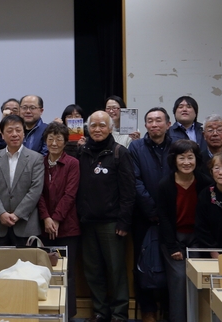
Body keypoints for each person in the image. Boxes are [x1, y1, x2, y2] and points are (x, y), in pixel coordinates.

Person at [77, 111, 136, 322]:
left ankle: (119, 314)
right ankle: (100, 311)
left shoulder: (120, 152)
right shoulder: (82, 152)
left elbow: (129, 191)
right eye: (93, 126)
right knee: (93, 272)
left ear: (110, 128)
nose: (98, 129)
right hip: (87, 222)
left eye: (102, 125)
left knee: (116, 271)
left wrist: (124, 221)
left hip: (112, 223)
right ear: (88, 128)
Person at [156, 140, 212, 322]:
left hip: (198, 238)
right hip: (174, 238)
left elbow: (209, 218)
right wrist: (172, 246)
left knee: (198, 280)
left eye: (191, 157)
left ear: (197, 159)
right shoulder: (165, 185)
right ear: (174, 160)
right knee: (179, 279)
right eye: (182, 158)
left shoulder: (205, 182)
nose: (186, 162)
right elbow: (163, 218)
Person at [128, 107, 173, 322]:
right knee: (142, 264)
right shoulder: (136, 147)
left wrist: (165, 213)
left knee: (170, 263)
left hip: (173, 218)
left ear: (168, 124)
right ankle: (148, 310)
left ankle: (168, 308)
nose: (154, 124)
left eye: (158, 120)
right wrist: (153, 211)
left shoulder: (177, 147)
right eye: (150, 121)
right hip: (143, 218)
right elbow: (134, 181)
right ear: (145, 125)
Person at [37, 122, 80, 320]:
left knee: (67, 273)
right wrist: (46, 218)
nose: (54, 143)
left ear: (65, 142)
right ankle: (48, 313)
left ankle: (67, 314)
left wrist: (56, 219)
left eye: (59, 139)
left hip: (67, 227)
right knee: (45, 270)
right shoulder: (39, 162)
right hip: (43, 226)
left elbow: (70, 195)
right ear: (45, 141)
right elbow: (38, 194)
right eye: (50, 139)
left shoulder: (72, 163)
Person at [0, 114, 44, 246]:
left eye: (18, 130)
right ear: (2, 135)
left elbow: (35, 190)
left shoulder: (36, 159)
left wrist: (17, 214)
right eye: (9, 130)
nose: (14, 134)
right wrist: (1, 213)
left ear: (24, 133)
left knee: (26, 266)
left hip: (26, 225)